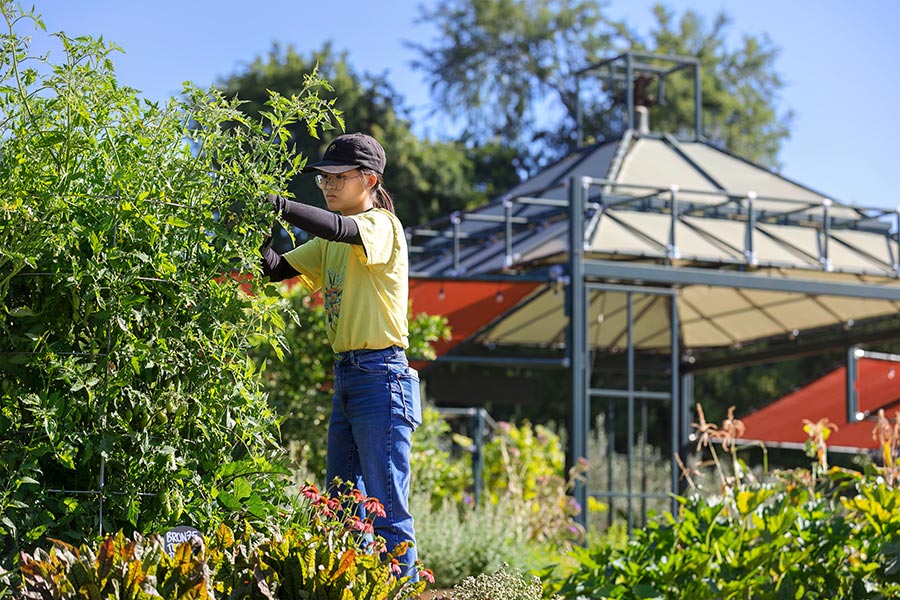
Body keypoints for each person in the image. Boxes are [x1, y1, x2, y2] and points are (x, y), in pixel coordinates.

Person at [259, 132, 421, 579]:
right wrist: (256, 226)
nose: (328, 186)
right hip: (349, 378)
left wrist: (284, 206)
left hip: (382, 377)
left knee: (386, 507)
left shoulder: (381, 226)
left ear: (369, 180)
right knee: (342, 505)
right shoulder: (329, 240)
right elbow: (274, 270)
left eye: (338, 177)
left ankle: (400, 588)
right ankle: (354, 587)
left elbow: (341, 229)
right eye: (323, 179)